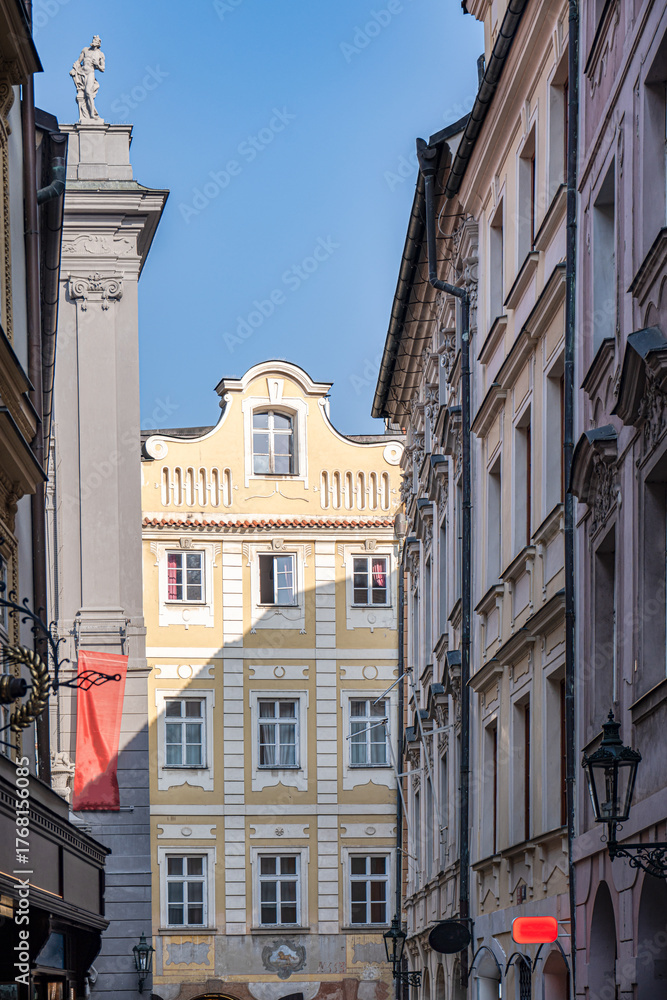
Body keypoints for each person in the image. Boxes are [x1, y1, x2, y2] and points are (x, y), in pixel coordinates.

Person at [70, 36, 105, 123]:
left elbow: (103, 68)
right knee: (82, 94)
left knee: (88, 92)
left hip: (90, 73)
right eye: (93, 40)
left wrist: (97, 65)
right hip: (81, 73)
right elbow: (78, 61)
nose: (93, 41)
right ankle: (86, 114)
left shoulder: (100, 54)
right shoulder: (85, 50)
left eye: (95, 40)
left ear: (98, 43)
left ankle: (92, 114)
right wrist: (74, 69)